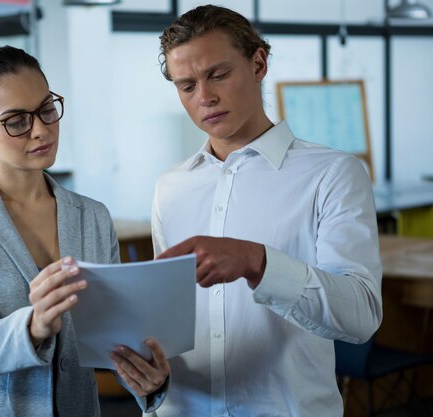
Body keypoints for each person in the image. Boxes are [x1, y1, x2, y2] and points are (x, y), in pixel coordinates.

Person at [149, 5, 382, 417]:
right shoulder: (171, 187)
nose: (205, 97)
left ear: (258, 63)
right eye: (187, 86)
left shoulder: (332, 174)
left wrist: (258, 263)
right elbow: (167, 321)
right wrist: (149, 380)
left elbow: (361, 316)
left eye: (218, 75)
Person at [0, 45, 169, 417]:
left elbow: (114, 336)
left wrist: (149, 381)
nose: (41, 130)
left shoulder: (93, 216)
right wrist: (33, 326)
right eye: (16, 121)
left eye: (46, 110)